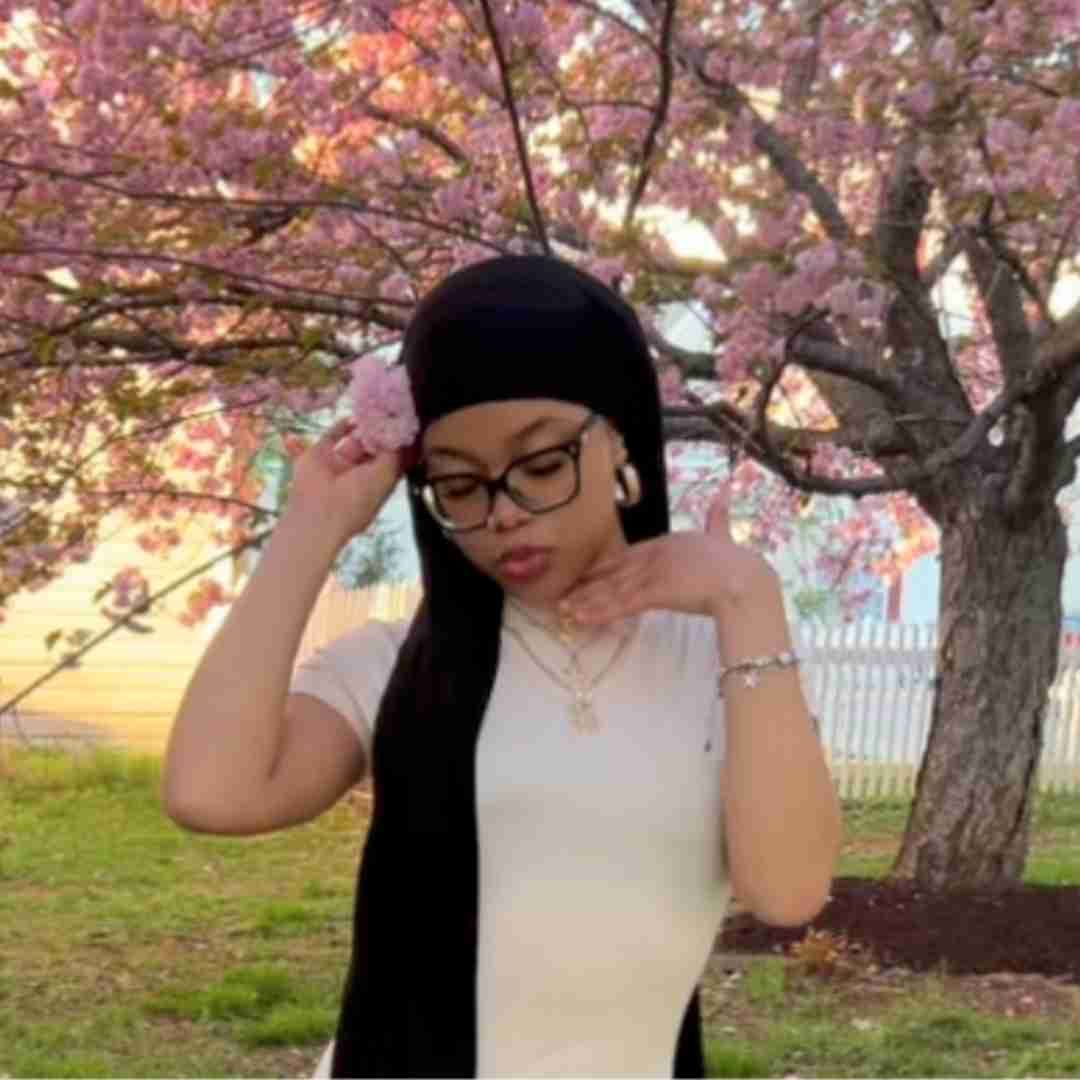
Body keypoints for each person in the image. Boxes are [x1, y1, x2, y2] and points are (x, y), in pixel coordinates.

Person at [162, 255, 842, 1079]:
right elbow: (212, 792)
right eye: (460, 486)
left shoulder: (721, 660)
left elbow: (788, 891)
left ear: (620, 438)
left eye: (542, 466)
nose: (504, 514)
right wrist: (311, 527)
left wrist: (745, 597)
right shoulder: (399, 669)